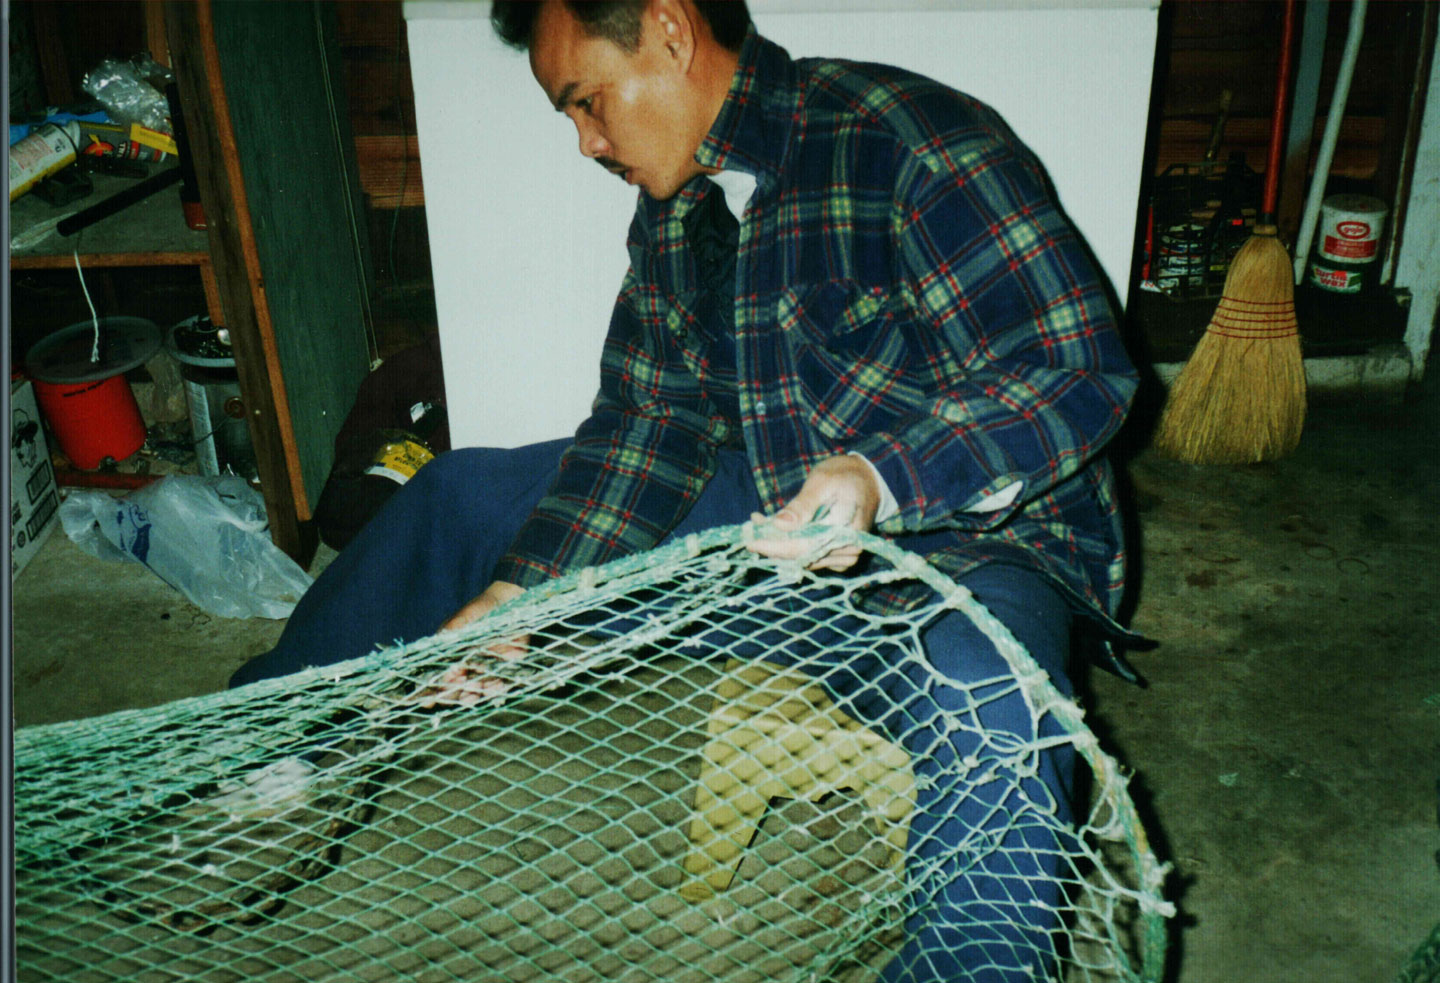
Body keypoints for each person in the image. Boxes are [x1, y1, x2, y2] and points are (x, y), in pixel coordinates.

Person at [229, 1, 1141, 979]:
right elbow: (649, 425)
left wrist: (883, 476)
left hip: (978, 551)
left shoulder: (909, 142)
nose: (584, 142)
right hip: (786, 536)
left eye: (586, 101)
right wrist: (520, 593)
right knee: (462, 492)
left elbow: (1076, 373)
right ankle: (269, 754)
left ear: (668, 29)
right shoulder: (679, 209)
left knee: (989, 695)